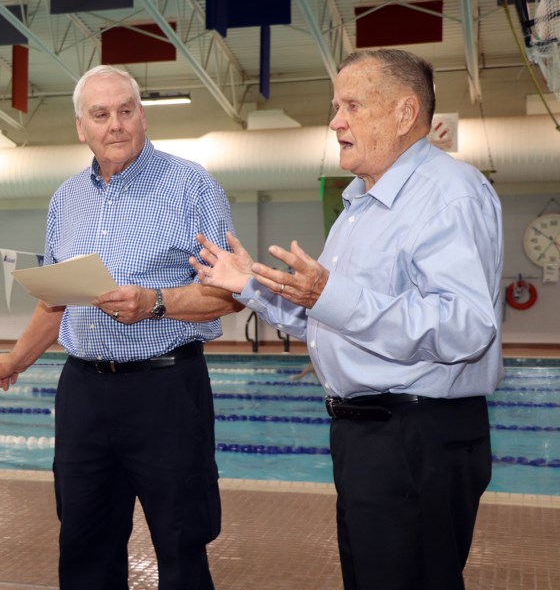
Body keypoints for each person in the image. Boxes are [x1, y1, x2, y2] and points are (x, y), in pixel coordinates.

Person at [190, 49, 503, 590]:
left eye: (352, 106)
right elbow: (331, 318)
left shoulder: (447, 194)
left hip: (416, 437)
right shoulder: (362, 206)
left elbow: (466, 327)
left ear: (405, 115)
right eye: (336, 106)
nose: (335, 121)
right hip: (371, 439)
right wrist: (250, 286)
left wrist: (332, 296)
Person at [0, 65, 241, 589]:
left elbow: (230, 293)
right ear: (81, 126)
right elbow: (54, 301)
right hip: (83, 394)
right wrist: (16, 359)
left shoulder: (191, 186)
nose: (116, 125)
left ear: (142, 115)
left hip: (166, 390)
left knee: (181, 543)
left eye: (126, 111)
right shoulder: (67, 198)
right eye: (100, 115)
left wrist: (156, 303)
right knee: (83, 545)